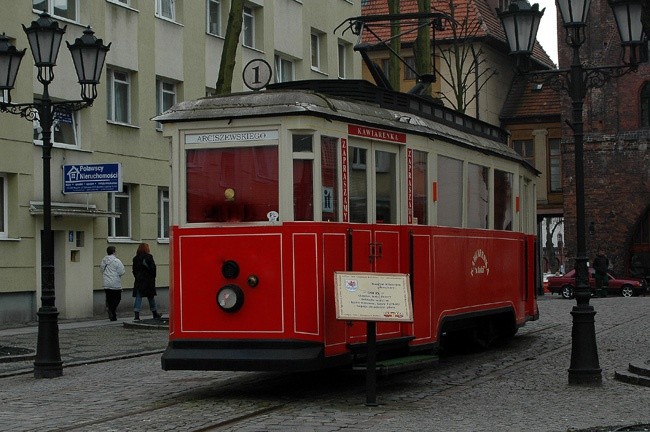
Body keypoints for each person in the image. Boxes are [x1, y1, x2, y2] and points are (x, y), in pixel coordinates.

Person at [132, 243, 162, 321]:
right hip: (148, 280)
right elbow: (153, 268)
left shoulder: (135, 258)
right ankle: (155, 313)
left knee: (138, 297)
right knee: (150, 297)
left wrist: (137, 277)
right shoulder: (149, 257)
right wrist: (153, 277)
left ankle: (136, 315)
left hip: (139, 280)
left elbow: (134, 270)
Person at [100, 246, 125, 321]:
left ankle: (113, 315)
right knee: (117, 298)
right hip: (115, 283)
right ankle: (112, 310)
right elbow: (122, 271)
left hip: (106, 283)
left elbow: (101, 270)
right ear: (114, 252)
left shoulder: (104, 260)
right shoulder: (117, 261)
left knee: (109, 298)